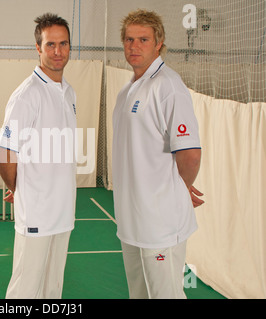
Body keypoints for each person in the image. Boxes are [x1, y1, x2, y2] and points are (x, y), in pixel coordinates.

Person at [112, 9, 204, 299]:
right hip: (132, 222)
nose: (134, 46)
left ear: (159, 43)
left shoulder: (168, 86)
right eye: (129, 39)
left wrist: (180, 188)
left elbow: (189, 154)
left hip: (159, 225)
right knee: (139, 295)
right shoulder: (127, 91)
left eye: (143, 39)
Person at [0, 13, 77, 299]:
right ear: (38, 48)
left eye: (64, 44)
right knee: (25, 290)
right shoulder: (27, 95)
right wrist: (18, 187)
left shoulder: (69, 93)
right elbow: (5, 152)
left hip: (63, 213)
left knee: (52, 289)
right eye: (50, 44)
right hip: (37, 214)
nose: (58, 51)